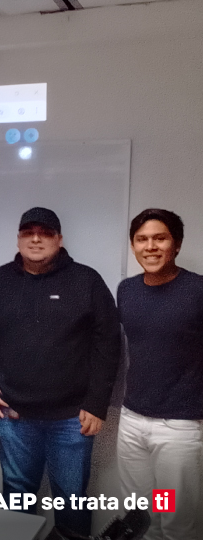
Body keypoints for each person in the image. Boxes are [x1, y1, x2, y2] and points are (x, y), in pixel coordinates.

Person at [0, 207, 120, 536]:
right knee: (16, 499)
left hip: (72, 418)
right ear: (18, 239)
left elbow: (109, 344)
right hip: (15, 415)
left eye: (44, 232)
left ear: (59, 239)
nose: (36, 239)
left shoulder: (87, 281)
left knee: (71, 501)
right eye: (28, 232)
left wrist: (97, 403)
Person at [117, 209, 203, 540]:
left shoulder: (197, 290)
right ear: (133, 246)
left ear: (176, 244)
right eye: (142, 239)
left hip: (178, 429)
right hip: (132, 421)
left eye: (160, 238)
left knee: (175, 524)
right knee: (140, 518)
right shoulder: (127, 290)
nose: (150, 246)